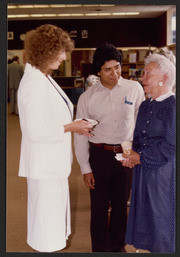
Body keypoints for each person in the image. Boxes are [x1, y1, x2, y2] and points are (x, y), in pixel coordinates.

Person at [17, 24, 93, 253]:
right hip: (44, 167)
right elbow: (35, 131)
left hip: (52, 166)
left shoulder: (43, 78)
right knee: (46, 230)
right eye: (60, 51)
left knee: (53, 225)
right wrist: (72, 126)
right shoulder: (32, 84)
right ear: (45, 51)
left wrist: (74, 127)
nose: (63, 56)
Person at [74, 43, 145, 252]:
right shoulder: (87, 98)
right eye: (107, 69)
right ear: (98, 70)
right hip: (99, 155)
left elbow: (141, 124)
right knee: (98, 207)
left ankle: (118, 247)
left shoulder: (134, 89)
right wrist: (85, 167)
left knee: (121, 206)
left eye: (117, 67)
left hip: (125, 154)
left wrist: (136, 153)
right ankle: (100, 250)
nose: (114, 73)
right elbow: (80, 135)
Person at [121, 52, 176, 253]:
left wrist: (140, 157)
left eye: (147, 74)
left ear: (164, 78)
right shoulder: (145, 105)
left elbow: (171, 146)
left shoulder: (173, 106)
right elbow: (139, 138)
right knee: (146, 224)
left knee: (161, 224)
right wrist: (131, 155)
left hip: (162, 176)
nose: (142, 78)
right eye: (143, 73)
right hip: (143, 172)